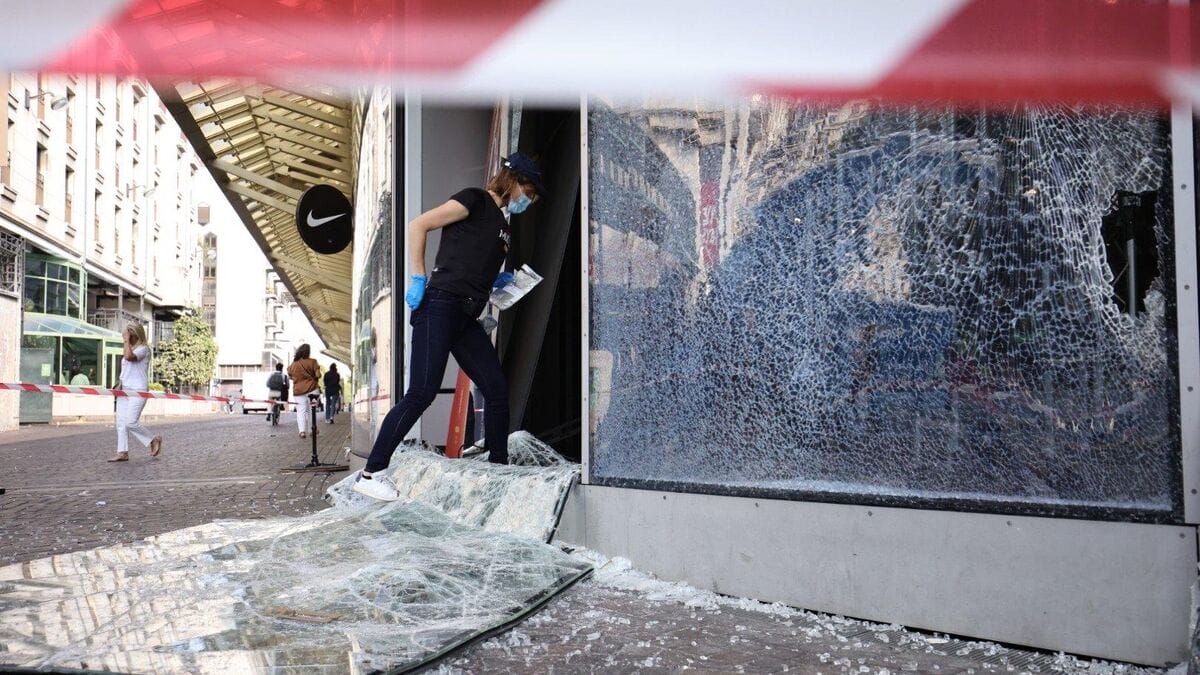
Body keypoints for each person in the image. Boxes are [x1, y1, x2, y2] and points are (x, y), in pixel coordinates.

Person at [354, 153, 545, 501]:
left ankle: (498, 471)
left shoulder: (504, 227)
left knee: (496, 388)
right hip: (440, 306)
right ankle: (372, 472)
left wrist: (498, 282)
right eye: (527, 192)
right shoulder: (474, 199)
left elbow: (471, 263)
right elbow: (419, 225)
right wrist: (418, 277)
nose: (528, 201)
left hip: (466, 317)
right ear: (513, 180)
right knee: (422, 393)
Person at [108, 323, 162, 462]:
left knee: (131, 422)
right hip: (124, 389)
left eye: (128, 335)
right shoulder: (130, 348)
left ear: (135, 335)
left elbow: (128, 357)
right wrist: (119, 384)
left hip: (138, 390)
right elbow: (126, 369)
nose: (125, 338)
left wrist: (126, 341)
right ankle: (122, 452)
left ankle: (153, 440)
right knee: (121, 423)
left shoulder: (144, 349)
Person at [287, 344, 321, 439]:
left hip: (298, 391)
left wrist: (298, 378)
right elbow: (318, 375)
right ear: (308, 352)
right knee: (311, 410)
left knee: (301, 411)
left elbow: (290, 376)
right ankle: (312, 430)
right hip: (312, 389)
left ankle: (302, 431)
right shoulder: (313, 362)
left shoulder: (293, 364)